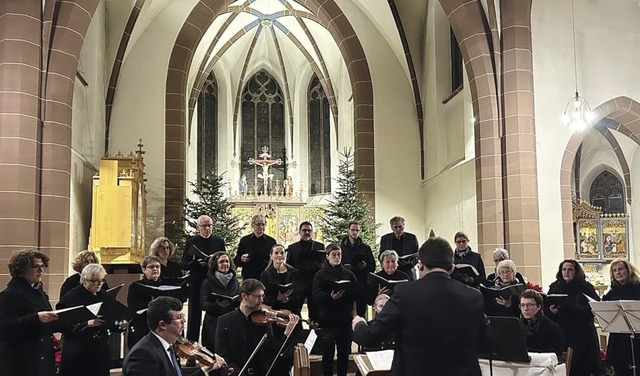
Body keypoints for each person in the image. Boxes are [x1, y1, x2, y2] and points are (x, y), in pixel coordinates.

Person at [351, 236, 487, 376]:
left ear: (420, 265)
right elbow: (485, 342)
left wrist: (359, 324)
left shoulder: (405, 293)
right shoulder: (473, 296)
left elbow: (371, 336)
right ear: (452, 267)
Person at [122, 296, 227, 376]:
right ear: (162, 325)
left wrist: (206, 370)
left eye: (183, 316)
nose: (184, 321)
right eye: (179, 317)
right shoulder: (143, 355)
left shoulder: (168, 347)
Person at [215, 279, 300, 376]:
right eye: (258, 297)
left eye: (262, 296)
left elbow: (272, 351)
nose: (261, 301)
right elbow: (222, 354)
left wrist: (287, 333)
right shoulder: (224, 321)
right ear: (244, 296)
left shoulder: (264, 321)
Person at [0, 249, 61, 376]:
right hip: (21, 360)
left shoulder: (40, 294)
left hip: (43, 357)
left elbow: (48, 322)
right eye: (35, 267)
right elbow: (5, 327)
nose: (41, 270)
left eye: (42, 266)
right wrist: (36, 318)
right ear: (21, 269)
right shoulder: (8, 295)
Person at [56, 264, 115, 376]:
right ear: (84, 281)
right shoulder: (71, 297)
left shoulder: (103, 295)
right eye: (95, 281)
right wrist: (85, 324)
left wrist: (118, 325)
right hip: (77, 351)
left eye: (102, 281)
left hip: (99, 350)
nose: (99, 284)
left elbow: (110, 316)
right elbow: (61, 324)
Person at [547, 259, 603, 376]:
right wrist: (552, 311)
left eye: (570, 270)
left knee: (582, 369)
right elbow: (547, 310)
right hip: (562, 333)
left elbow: (593, 310)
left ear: (576, 272)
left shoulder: (586, 287)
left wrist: (571, 305)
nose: (566, 272)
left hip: (583, 334)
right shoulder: (555, 286)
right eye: (564, 269)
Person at [312, 243, 357, 376]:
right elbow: (315, 294)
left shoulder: (348, 274)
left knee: (344, 353)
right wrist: (330, 297)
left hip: (344, 317)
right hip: (327, 318)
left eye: (339, 255)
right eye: (334, 255)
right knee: (328, 353)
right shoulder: (320, 275)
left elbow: (355, 293)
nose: (337, 257)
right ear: (327, 256)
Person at [181, 215, 226, 346]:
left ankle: (213, 346)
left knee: (214, 314)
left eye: (209, 226)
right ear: (198, 228)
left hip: (213, 283)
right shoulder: (191, 242)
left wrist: (214, 262)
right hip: (196, 282)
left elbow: (224, 260)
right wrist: (195, 263)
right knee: (194, 317)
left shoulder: (219, 242)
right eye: (204, 226)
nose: (207, 229)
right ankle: (191, 347)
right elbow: (183, 263)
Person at [127, 255, 176, 349]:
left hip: (163, 326)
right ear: (144, 269)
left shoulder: (168, 286)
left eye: (157, 266)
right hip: (142, 326)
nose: (155, 269)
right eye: (151, 267)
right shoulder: (135, 286)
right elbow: (133, 308)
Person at [602, 259, 640, 376]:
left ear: (628, 271)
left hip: (637, 335)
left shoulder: (638, 288)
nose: (618, 272)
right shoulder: (612, 292)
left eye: (620, 269)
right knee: (619, 368)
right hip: (618, 337)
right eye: (614, 270)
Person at [199, 251, 239, 352]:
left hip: (231, 322)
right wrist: (216, 304)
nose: (225, 264)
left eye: (227, 261)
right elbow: (203, 304)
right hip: (213, 322)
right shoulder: (207, 282)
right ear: (215, 264)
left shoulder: (235, 281)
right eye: (221, 262)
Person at [286, 221, 325, 323]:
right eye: (304, 230)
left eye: (309, 230)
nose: (307, 232)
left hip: (314, 283)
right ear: (299, 232)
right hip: (299, 283)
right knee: (295, 311)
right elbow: (288, 267)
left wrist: (322, 266)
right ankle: (297, 335)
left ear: (312, 232)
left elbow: (325, 265)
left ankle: (314, 336)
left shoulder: (319, 247)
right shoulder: (293, 248)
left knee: (315, 313)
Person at [340, 221, 375, 316]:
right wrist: (344, 267)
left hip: (361, 283)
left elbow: (372, 267)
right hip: (346, 283)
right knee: (346, 311)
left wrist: (365, 266)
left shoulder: (365, 248)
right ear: (348, 231)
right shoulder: (341, 248)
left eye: (357, 230)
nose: (354, 232)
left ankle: (361, 329)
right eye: (352, 230)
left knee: (361, 312)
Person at [518, 289, 564, 357]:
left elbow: (554, 356)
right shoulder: (516, 327)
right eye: (522, 305)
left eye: (529, 305)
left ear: (539, 307)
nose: (525, 308)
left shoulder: (553, 329)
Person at [261, 244, 303, 316]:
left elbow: (299, 294)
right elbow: (264, 297)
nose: (279, 255)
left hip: (292, 309)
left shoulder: (294, 272)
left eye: (282, 253)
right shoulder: (265, 274)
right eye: (276, 253)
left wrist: (288, 299)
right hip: (274, 311)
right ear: (271, 256)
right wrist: (277, 298)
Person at [234, 214, 277, 281]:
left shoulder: (271, 241)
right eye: (258, 224)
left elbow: (275, 260)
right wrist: (241, 259)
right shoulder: (244, 240)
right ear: (252, 225)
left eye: (263, 224)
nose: (261, 227)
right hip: (249, 276)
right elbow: (237, 260)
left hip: (265, 277)